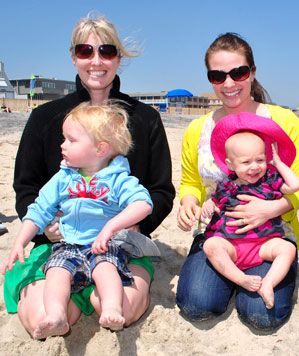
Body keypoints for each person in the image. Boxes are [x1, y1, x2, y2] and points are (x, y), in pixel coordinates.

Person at [6, 12, 175, 338]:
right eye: (86, 51)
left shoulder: (146, 118)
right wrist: (48, 228)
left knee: (119, 309)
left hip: (121, 246)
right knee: (42, 318)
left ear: (118, 58)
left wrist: (132, 224)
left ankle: (99, 298)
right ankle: (66, 304)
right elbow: (26, 187)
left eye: (106, 51)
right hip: (60, 243)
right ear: (74, 57)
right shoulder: (45, 118)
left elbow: (161, 191)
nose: (96, 61)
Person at [176, 32, 299, 331]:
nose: (229, 83)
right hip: (220, 235)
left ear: (252, 72)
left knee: (262, 316)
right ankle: (227, 277)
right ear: (209, 78)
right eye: (217, 75)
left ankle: (254, 278)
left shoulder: (284, 120)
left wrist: (270, 209)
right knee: (197, 307)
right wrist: (188, 203)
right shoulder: (197, 129)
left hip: (270, 235)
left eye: (238, 72)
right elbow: (189, 182)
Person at [3, 101, 154, 338]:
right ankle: (56, 316)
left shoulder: (118, 179)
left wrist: (112, 226)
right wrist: (20, 241)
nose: (62, 145)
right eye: (64, 138)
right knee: (56, 272)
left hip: (104, 246)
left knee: (106, 269)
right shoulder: (64, 178)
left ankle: (112, 309)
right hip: (68, 245)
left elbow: (143, 203)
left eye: (71, 140)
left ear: (100, 149)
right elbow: (38, 210)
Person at [202, 113, 299, 309]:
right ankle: (240, 279)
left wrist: (278, 164)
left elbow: (295, 186)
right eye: (246, 162)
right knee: (211, 246)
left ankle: (268, 284)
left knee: (288, 248)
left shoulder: (271, 180)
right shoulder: (226, 185)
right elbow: (215, 202)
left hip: (263, 244)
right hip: (232, 246)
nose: (255, 167)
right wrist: (208, 205)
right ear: (230, 165)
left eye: (260, 160)